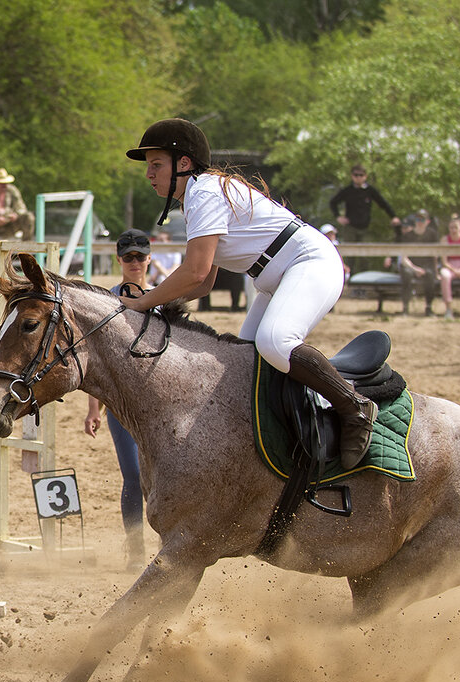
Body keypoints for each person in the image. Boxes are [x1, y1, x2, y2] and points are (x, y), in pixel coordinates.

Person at [121, 118, 375, 470]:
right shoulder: (196, 196)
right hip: (278, 277)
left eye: (156, 164)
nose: (149, 174)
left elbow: (194, 272)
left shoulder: (204, 193)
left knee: (275, 341)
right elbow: (205, 282)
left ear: (184, 163)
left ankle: (353, 408)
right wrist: (156, 305)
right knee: (245, 362)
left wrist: (141, 303)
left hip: (310, 262)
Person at [84, 229, 154, 568]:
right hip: (121, 405)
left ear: (149, 258)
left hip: (158, 404)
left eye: (140, 256)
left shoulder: (162, 297)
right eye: (129, 257)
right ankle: (136, 549)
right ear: (119, 260)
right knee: (132, 475)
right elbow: (98, 361)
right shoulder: (106, 302)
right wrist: (92, 408)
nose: (135, 263)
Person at [330, 164, 400, 274]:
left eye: (361, 175)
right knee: (350, 256)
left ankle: (363, 281)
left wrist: (393, 216)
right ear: (352, 176)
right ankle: (349, 281)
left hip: (365, 227)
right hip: (350, 227)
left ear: (365, 176)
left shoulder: (370, 191)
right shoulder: (347, 191)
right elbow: (333, 202)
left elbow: (383, 203)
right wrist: (338, 216)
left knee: (365, 256)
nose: (358, 177)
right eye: (355, 175)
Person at [395, 210, 437, 316]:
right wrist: (415, 269)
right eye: (418, 219)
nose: (420, 222)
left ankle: (429, 308)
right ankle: (405, 308)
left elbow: (435, 255)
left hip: (426, 266)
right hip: (410, 265)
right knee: (406, 275)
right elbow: (404, 258)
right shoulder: (407, 236)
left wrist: (436, 270)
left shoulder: (432, 235)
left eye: (422, 219)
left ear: (427, 221)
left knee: (431, 275)